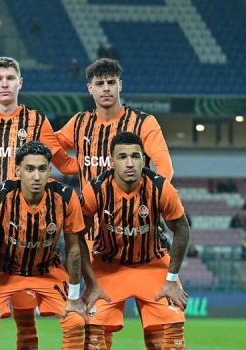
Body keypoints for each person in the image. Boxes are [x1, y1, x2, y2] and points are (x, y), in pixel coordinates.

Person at [0, 56, 78, 349]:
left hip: (26, 225)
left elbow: (62, 163)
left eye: (10, 78)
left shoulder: (36, 120)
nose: (4, 84)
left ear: (20, 83)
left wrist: (98, 164)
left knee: (25, 311)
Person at [56, 58, 173, 347]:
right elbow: (52, 149)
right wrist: (75, 166)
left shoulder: (143, 123)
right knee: (97, 326)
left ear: (121, 85)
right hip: (95, 239)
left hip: (139, 234)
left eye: (111, 82)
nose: (106, 88)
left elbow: (164, 167)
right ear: (90, 89)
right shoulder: (80, 123)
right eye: (99, 83)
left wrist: (154, 200)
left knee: (159, 326)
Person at [79, 132, 190, 350]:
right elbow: (76, 236)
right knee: (95, 328)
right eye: (122, 157)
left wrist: (171, 280)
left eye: (135, 156)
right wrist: (90, 282)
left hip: (152, 264)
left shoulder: (160, 188)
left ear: (143, 160)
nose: (129, 163)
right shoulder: (95, 190)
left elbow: (182, 229)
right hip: (108, 266)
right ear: (112, 161)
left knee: (172, 327)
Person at [0, 141, 87, 349]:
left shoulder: (65, 196)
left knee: (76, 321)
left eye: (42, 169)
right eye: (29, 169)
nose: (36, 176)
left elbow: (73, 248)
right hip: (6, 271)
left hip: (47, 270)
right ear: (17, 170)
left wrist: (75, 297)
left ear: (49, 170)